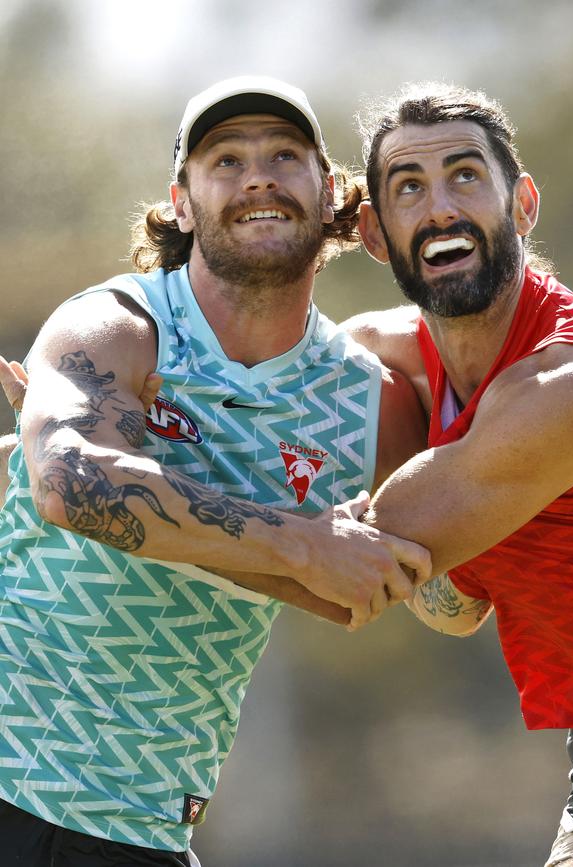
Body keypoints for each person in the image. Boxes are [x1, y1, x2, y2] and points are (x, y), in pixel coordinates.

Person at [0, 76, 431, 866]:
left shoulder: (367, 398)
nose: (257, 175)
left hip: (141, 821)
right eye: (225, 159)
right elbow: (69, 484)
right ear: (184, 201)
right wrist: (301, 544)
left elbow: (407, 593)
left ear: (330, 193)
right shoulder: (119, 325)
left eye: (284, 155)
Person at [338, 82, 573, 867]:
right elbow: (244, 376)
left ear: (523, 204)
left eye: (466, 175)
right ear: (376, 234)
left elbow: (375, 557)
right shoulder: (381, 355)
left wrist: (152, 498)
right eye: (409, 187)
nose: (441, 207)